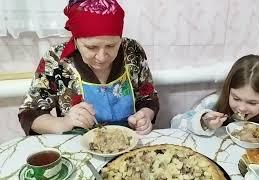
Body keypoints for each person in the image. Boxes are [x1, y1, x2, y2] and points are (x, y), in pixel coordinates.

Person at [18, 0, 159, 135]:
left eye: (111, 45)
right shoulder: (55, 60)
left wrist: (145, 115)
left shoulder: (133, 51)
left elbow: (148, 98)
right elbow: (29, 112)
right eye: (91, 47)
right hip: (78, 147)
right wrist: (63, 123)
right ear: (75, 39)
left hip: (130, 144)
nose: (102, 57)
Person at [171, 54, 259, 136]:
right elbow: (175, 123)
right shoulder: (213, 103)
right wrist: (203, 122)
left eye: (252, 102)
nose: (241, 108)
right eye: (236, 98)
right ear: (228, 90)